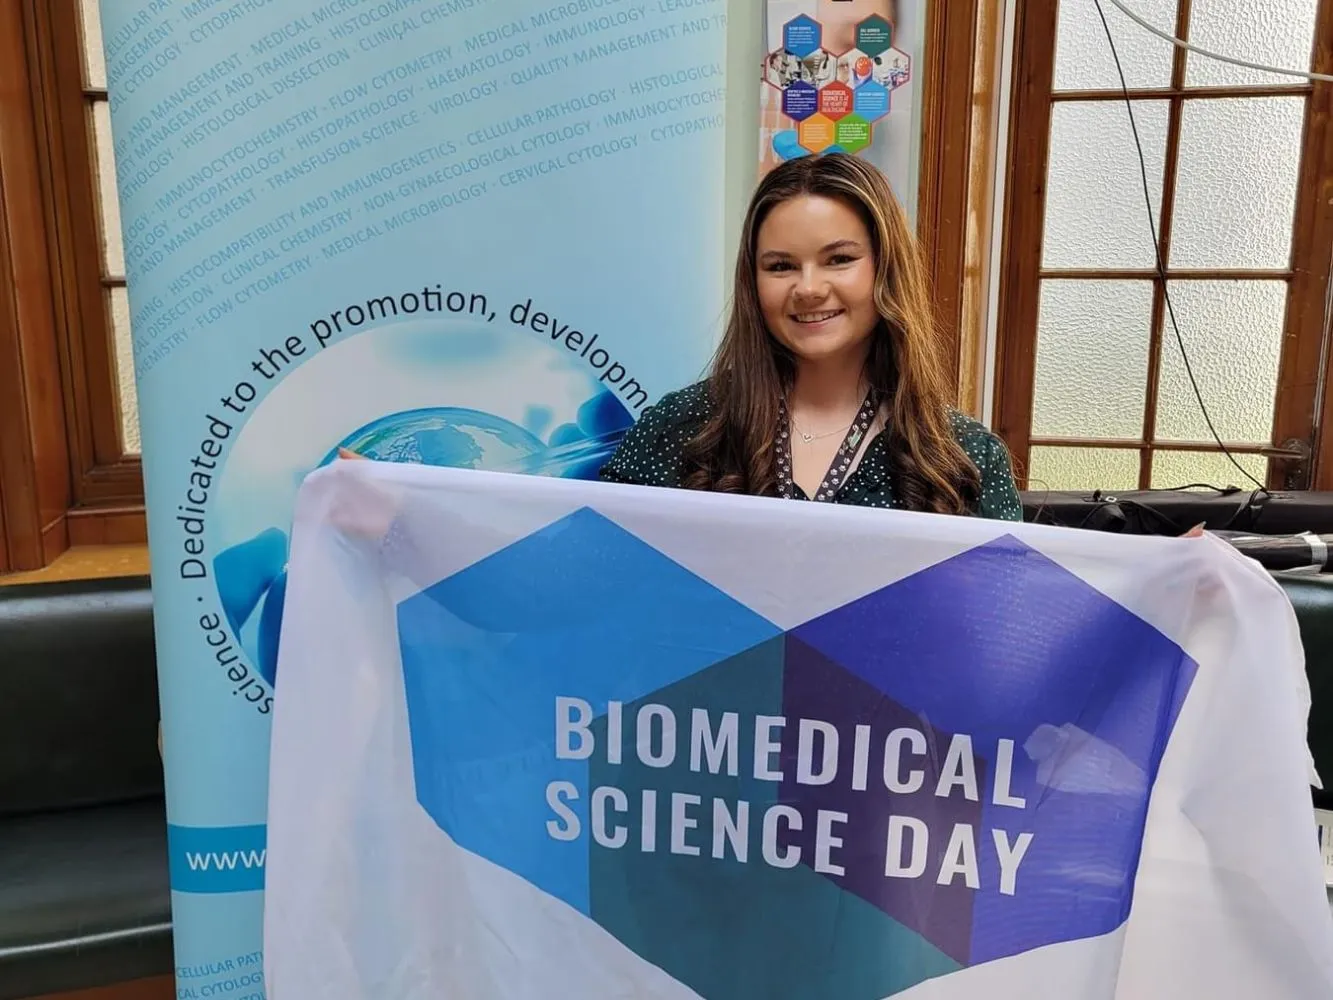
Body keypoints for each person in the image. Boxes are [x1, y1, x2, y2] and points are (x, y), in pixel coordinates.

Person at [599, 153, 1023, 520]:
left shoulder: (965, 456)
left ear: (885, 269)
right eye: (781, 266)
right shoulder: (680, 428)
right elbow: (601, 580)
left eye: (839, 259)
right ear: (753, 281)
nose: (808, 288)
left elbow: (1001, 610)